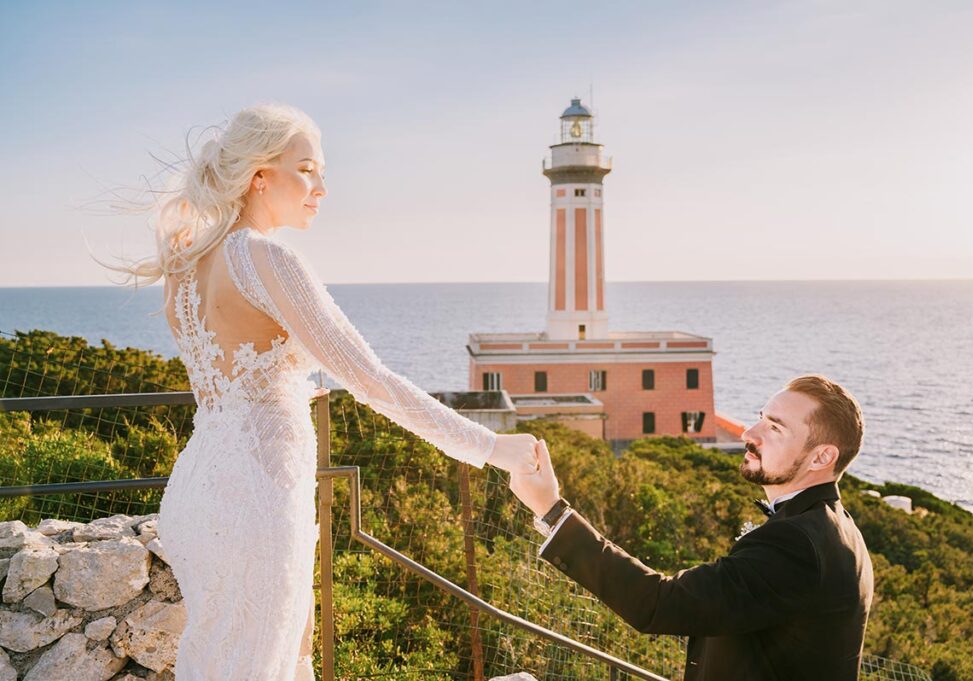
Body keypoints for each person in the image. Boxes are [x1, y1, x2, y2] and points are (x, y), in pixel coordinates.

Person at [101, 104, 540, 680]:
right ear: (260, 177)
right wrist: (492, 448)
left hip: (198, 492)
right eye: (307, 169)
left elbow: (230, 379)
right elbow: (370, 380)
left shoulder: (186, 266)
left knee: (223, 662)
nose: (322, 188)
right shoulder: (266, 258)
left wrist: (280, 388)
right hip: (256, 501)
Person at [510, 375, 874, 681]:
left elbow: (659, 603)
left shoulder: (796, 543)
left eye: (775, 428)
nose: (749, 432)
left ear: (822, 457)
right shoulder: (838, 529)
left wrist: (552, 510)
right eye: (761, 418)